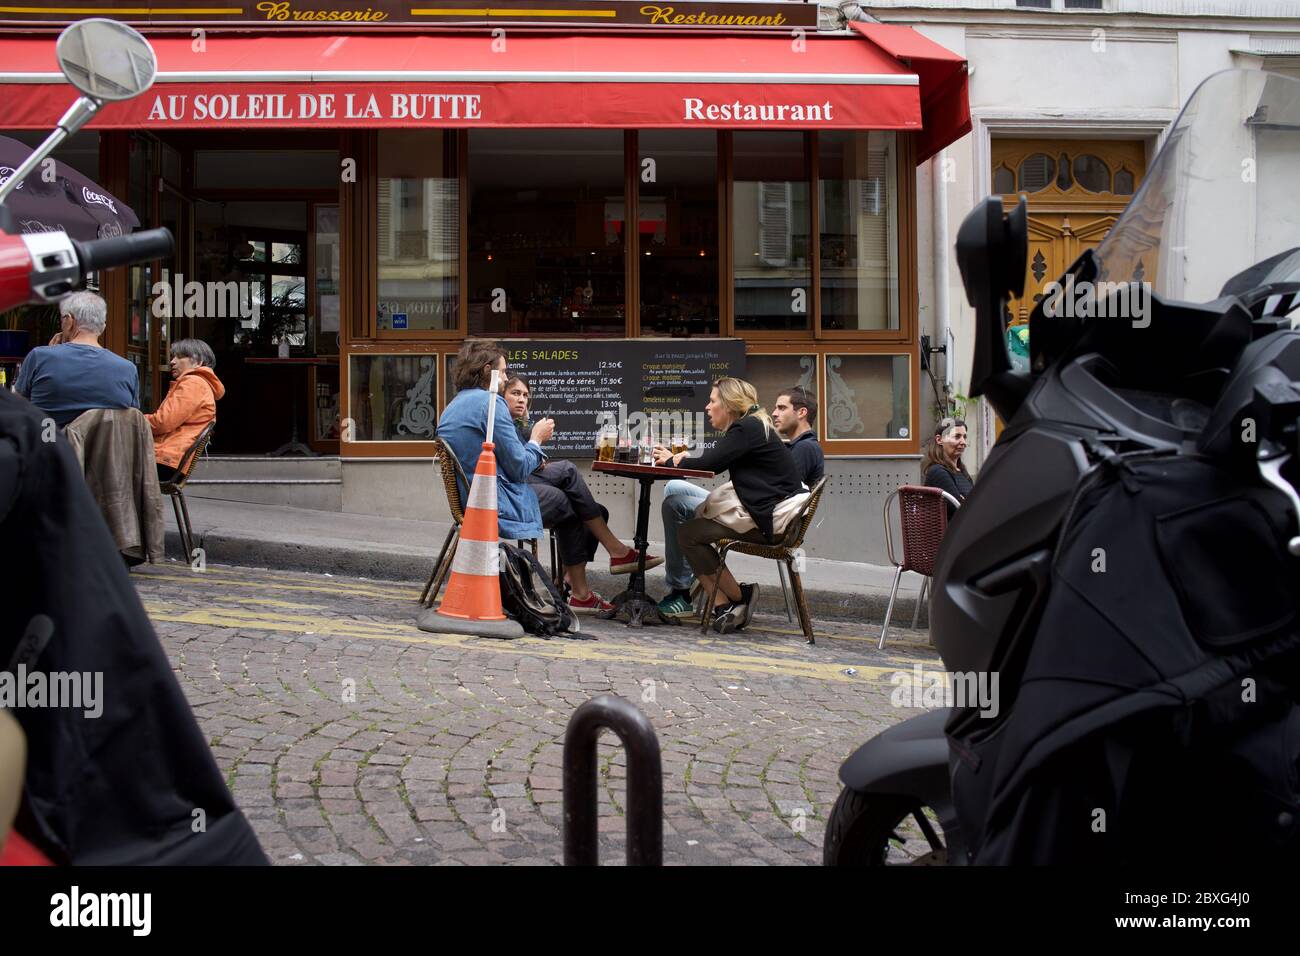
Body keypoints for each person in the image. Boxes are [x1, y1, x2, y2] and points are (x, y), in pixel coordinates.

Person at [436, 339, 612, 613]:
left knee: (568, 483)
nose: (506, 380)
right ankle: (582, 585)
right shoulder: (490, 404)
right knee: (571, 505)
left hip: (475, 494)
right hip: (491, 501)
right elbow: (519, 467)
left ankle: (583, 582)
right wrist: (537, 439)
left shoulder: (457, 403)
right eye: (504, 373)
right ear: (488, 371)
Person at [656, 383, 823, 620]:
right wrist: (683, 459)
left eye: (713, 401)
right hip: (771, 517)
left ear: (728, 404)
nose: (707, 407)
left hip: (772, 523)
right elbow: (716, 457)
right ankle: (725, 606)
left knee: (689, 533)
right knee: (690, 529)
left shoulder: (747, 428)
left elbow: (710, 465)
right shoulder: (752, 425)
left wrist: (673, 461)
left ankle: (739, 597)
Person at [503, 374, 661, 577]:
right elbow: (513, 464)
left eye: (525, 395)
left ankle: (571, 580)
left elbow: (520, 459)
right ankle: (612, 554)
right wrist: (535, 442)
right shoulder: (502, 422)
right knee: (568, 473)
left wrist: (535, 454)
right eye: (515, 393)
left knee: (598, 511)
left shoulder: (519, 425)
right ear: (501, 395)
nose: (522, 399)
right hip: (511, 491)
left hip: (522, 481)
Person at [12, 291, 139, 428]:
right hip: (106, 449)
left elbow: (16, 407)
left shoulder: (39, 357)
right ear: (102, 327)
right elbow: (133, 419)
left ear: (69, 321)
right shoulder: (128, 369)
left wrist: (48, 355)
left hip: (50, 446)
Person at [146, 338, 225, 483]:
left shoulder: (194, 383)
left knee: (106, 463)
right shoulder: (199, 384)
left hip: (165, 460)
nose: (172, 362)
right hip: (168, 460)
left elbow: (162, 422)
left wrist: (134, 419)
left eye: (179, 357)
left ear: (198, 362)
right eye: (172, 357)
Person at [922, 416, 974, 517]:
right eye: (957, 436)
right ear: (939, 440)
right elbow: (960, 511)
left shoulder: (962, 472)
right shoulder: (938, 472)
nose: (963, 442)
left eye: (965, 437)